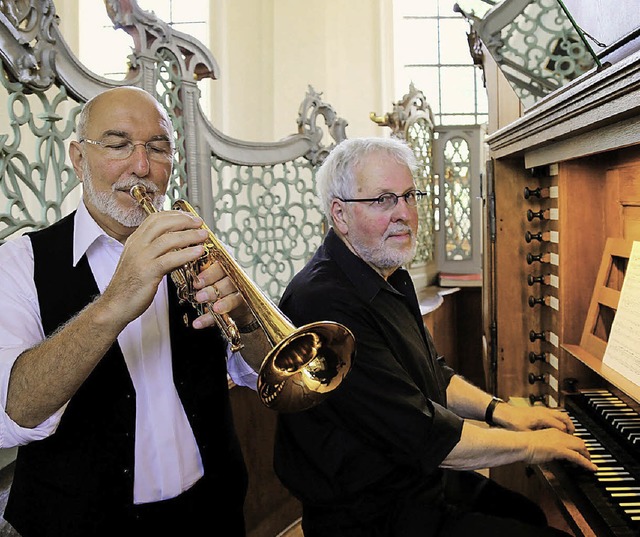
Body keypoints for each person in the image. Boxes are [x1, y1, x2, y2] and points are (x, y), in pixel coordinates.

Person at [273, 137, 597, 537]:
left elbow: (434, 375)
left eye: (409, 196)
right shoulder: (324, 304)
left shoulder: (387, 274)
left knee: (526, 514)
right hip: (371, 517)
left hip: (418, 484)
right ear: (340, 214)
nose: (405, 214)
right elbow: (425, 436)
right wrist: (531, 446)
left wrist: (503, 412)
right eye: (383, 200)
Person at [0, 86, 270, 537]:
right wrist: (115, 302)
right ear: (78, 159)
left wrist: (245, 318)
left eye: (158, 147)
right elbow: (17, 411)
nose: (141, 167)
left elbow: (256, 374)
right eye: (118, 144)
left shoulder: (195, 247)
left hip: (210, 514)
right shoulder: (19, 262)